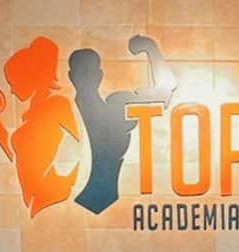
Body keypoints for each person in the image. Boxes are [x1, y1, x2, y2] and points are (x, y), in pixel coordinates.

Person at [69, 35, 175, 214]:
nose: (86, 78)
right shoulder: (114, 109)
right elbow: (165, 91)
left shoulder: (65, 109)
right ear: (100, 75)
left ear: (71, 76)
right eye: (84, 72)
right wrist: (151, 49)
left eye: (88, 72)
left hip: (94, 198)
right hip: (100, 198)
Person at [0, 37, 80, 217]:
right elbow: (15, 153)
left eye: (13, 82)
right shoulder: (33, 115)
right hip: (37, 198)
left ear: (28, 78)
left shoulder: (57, 105)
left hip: (51, 195)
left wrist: (61, 177)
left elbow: (79, 146)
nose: (12, 90)